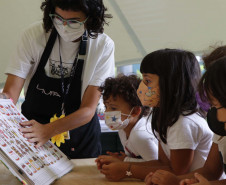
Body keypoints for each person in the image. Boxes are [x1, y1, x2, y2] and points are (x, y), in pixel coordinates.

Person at [1, 0, 115, 159]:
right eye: (59, 19)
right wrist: (2, 102)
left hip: (79, 136)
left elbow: (88, 110)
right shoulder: (34, 35)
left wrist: (48, 130)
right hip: (33, 131)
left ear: (90, 19)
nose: (64, 26)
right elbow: (10, 95)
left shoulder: (102, 46)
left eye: (74, 22)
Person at [96, 49, 213, 181]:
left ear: (170, 83)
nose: (142, 86)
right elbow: (162, 164)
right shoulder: (164, 118)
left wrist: (127, 170)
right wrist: (122, 164)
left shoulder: (183, 123)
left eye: (147, 81)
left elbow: (176, 173)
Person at [145, 50, 226, 185]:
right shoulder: (220, 129)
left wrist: (127, 169)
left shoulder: (184, 123)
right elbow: (211, 171)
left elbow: (177, 169)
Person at [96, 74, 158, 165]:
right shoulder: (123, 130)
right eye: (106, 107)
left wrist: (123, 161)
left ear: (135, 111)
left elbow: (157, 166)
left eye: (113, 108)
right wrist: (119, 159)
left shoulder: (140, 135)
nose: (106, 112)